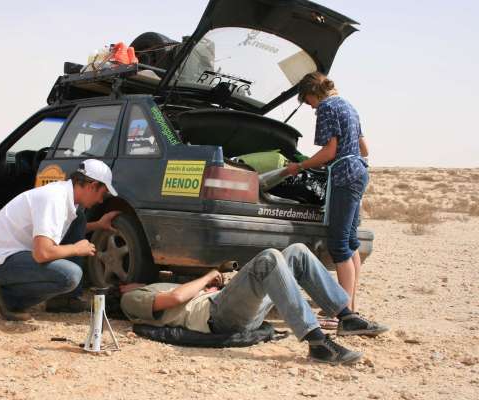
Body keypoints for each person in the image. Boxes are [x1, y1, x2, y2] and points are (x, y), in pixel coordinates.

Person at [120, 244, 388, 365]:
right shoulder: (130, 298)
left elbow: (183, 297)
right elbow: (177, 299)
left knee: (297, 252)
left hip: (221, 305)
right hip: (216, 316)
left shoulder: (155, 285)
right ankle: (317, 342)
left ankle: (346, 316)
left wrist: (210, 288)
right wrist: (208, 276)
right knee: (268, 258)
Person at [0, 159, 120, 321]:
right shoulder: (54, 199)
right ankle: (8, 298)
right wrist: (76, 249)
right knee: (70, 275)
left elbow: (59, 230)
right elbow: (42, 253)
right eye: (102, 193)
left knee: (78, 220)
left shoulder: (65, 196)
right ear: (92, 186)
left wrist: (98, 225)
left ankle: (64, 300)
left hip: (8, 256)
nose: (101, 200)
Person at [284, 72, 369, 312]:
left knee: (339, 245)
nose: (311, 107)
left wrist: (300, 166)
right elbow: (364, 149)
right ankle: (350, 308)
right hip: (359, 173)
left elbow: (329, 152)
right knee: (350, 242)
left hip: (344, 176)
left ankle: (342, 312)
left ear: (312, 94)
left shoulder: (326, 107)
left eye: (307, 101)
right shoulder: (348, 106)